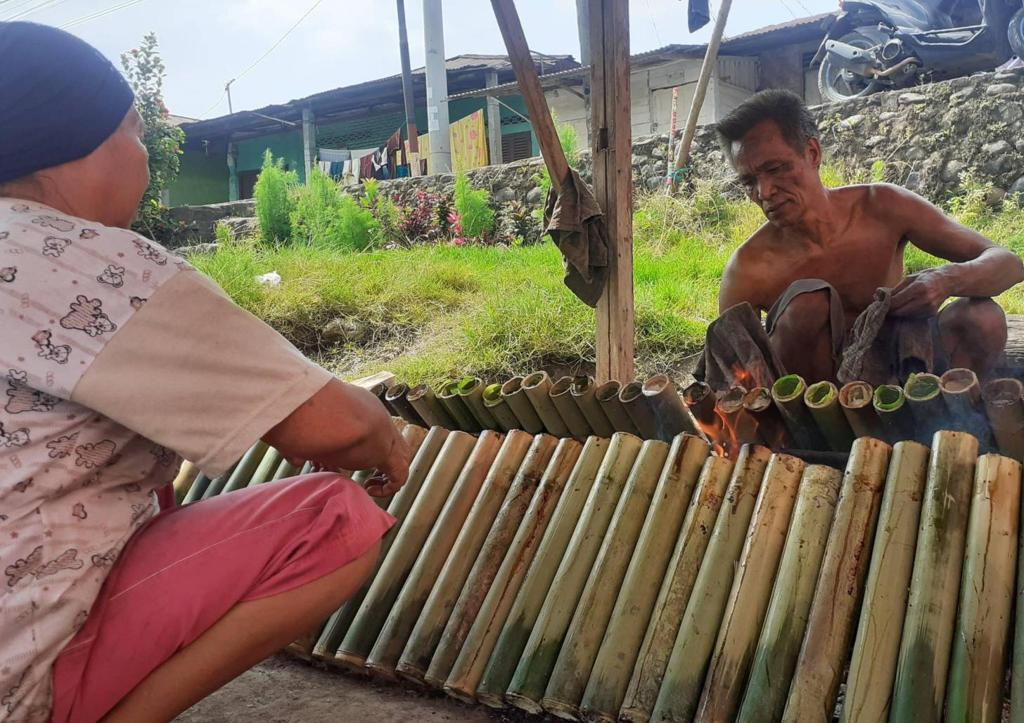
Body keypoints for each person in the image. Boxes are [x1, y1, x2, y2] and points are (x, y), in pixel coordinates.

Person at [0, 22, 410, 722]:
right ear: (63, 152)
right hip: (16, 668)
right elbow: (337, 425)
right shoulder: (86, 264)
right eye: (130, 132)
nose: (145, 159)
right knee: (334, 518)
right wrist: (387, 444)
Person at [716, 89, 1024, 382]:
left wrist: (946, 281)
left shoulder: (883, 206)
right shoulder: (748, 268)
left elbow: (1008, 263)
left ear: (812, 153)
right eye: (748, 181)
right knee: (806, 304)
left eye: (776, 168)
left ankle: (954, 423)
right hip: (816, 404)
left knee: (982, 318)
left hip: (903, 367)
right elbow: (733, 375)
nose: (764, 192)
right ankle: (820, 435)